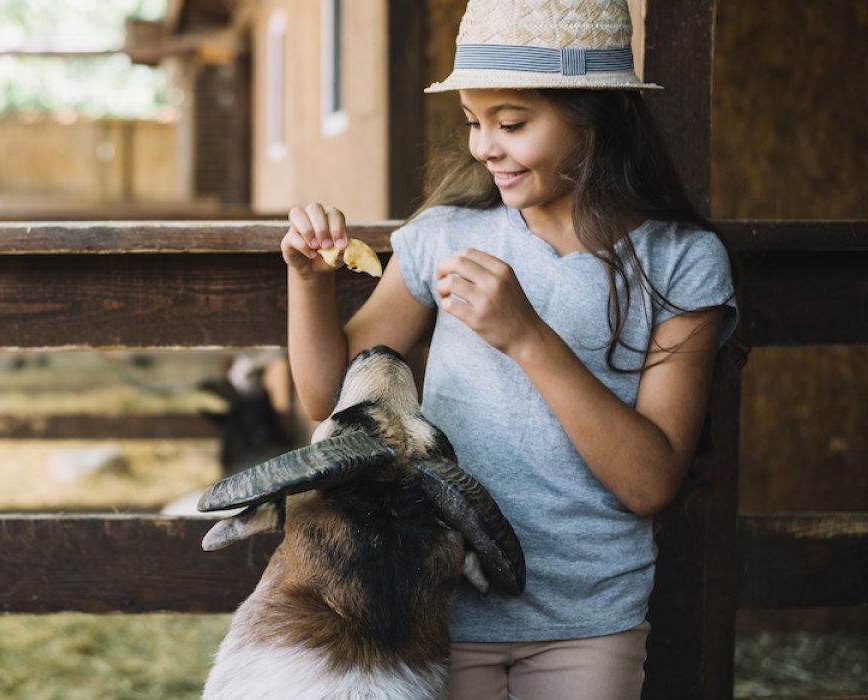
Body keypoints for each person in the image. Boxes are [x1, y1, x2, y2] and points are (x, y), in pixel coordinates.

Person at [280, 0, 738, 698]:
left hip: (589, 620)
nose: (482, 146)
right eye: (473, 121)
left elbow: (650, 482)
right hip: (436, 610)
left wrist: (527, 338)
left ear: (596, 116)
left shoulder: (681, 261)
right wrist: (308, 283)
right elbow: (328, 400)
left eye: (512, 123)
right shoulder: (445, 235)